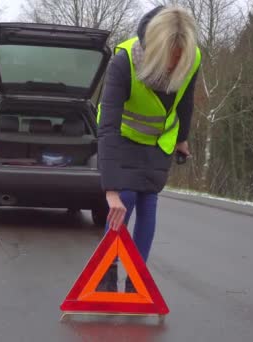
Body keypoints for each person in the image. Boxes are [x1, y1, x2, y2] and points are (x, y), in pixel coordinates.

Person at [96, 5, 202, 292]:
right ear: (155, 48)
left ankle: (136, 279)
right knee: (125, 199)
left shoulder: (192, 59)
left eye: (180, 58)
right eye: (170, 58)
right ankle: (105, 273)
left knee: (148, 202)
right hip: (123, 137)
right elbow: (107, 127)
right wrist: (111, 189)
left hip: (158, 141)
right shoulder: (124, 62)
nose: (174, 65)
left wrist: (182, 137)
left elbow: (186, 101)